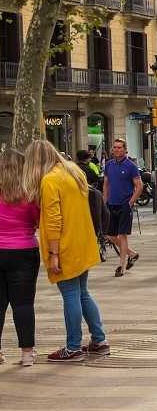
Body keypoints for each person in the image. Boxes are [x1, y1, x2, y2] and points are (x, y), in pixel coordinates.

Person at [23, 140, 108, 362]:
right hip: (83, 241)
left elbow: (53, 220)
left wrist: (53, 254)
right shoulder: (72, 172)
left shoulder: (49, 180)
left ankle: (73, 346)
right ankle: (99, 340)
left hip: (65, 245)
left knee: (71, 294)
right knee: (83, 292)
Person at [0, 149, 40, 366]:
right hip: (24, 250)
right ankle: (26, 353)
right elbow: (37, 220)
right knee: (23, 304)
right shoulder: (30, 192)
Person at [102, 138, 142, 277]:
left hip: (124, 204)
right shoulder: (109, 165)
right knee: (109, 234)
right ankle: (132, 254)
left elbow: (139, 186)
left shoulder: (131, 166)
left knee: (122, 235)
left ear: (125, 150)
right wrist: (104, 201)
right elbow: (106, 184)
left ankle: (121, 266)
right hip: (111, 204)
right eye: (115, 147)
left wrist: (130, 202)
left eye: (120, 147)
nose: (117, 150)